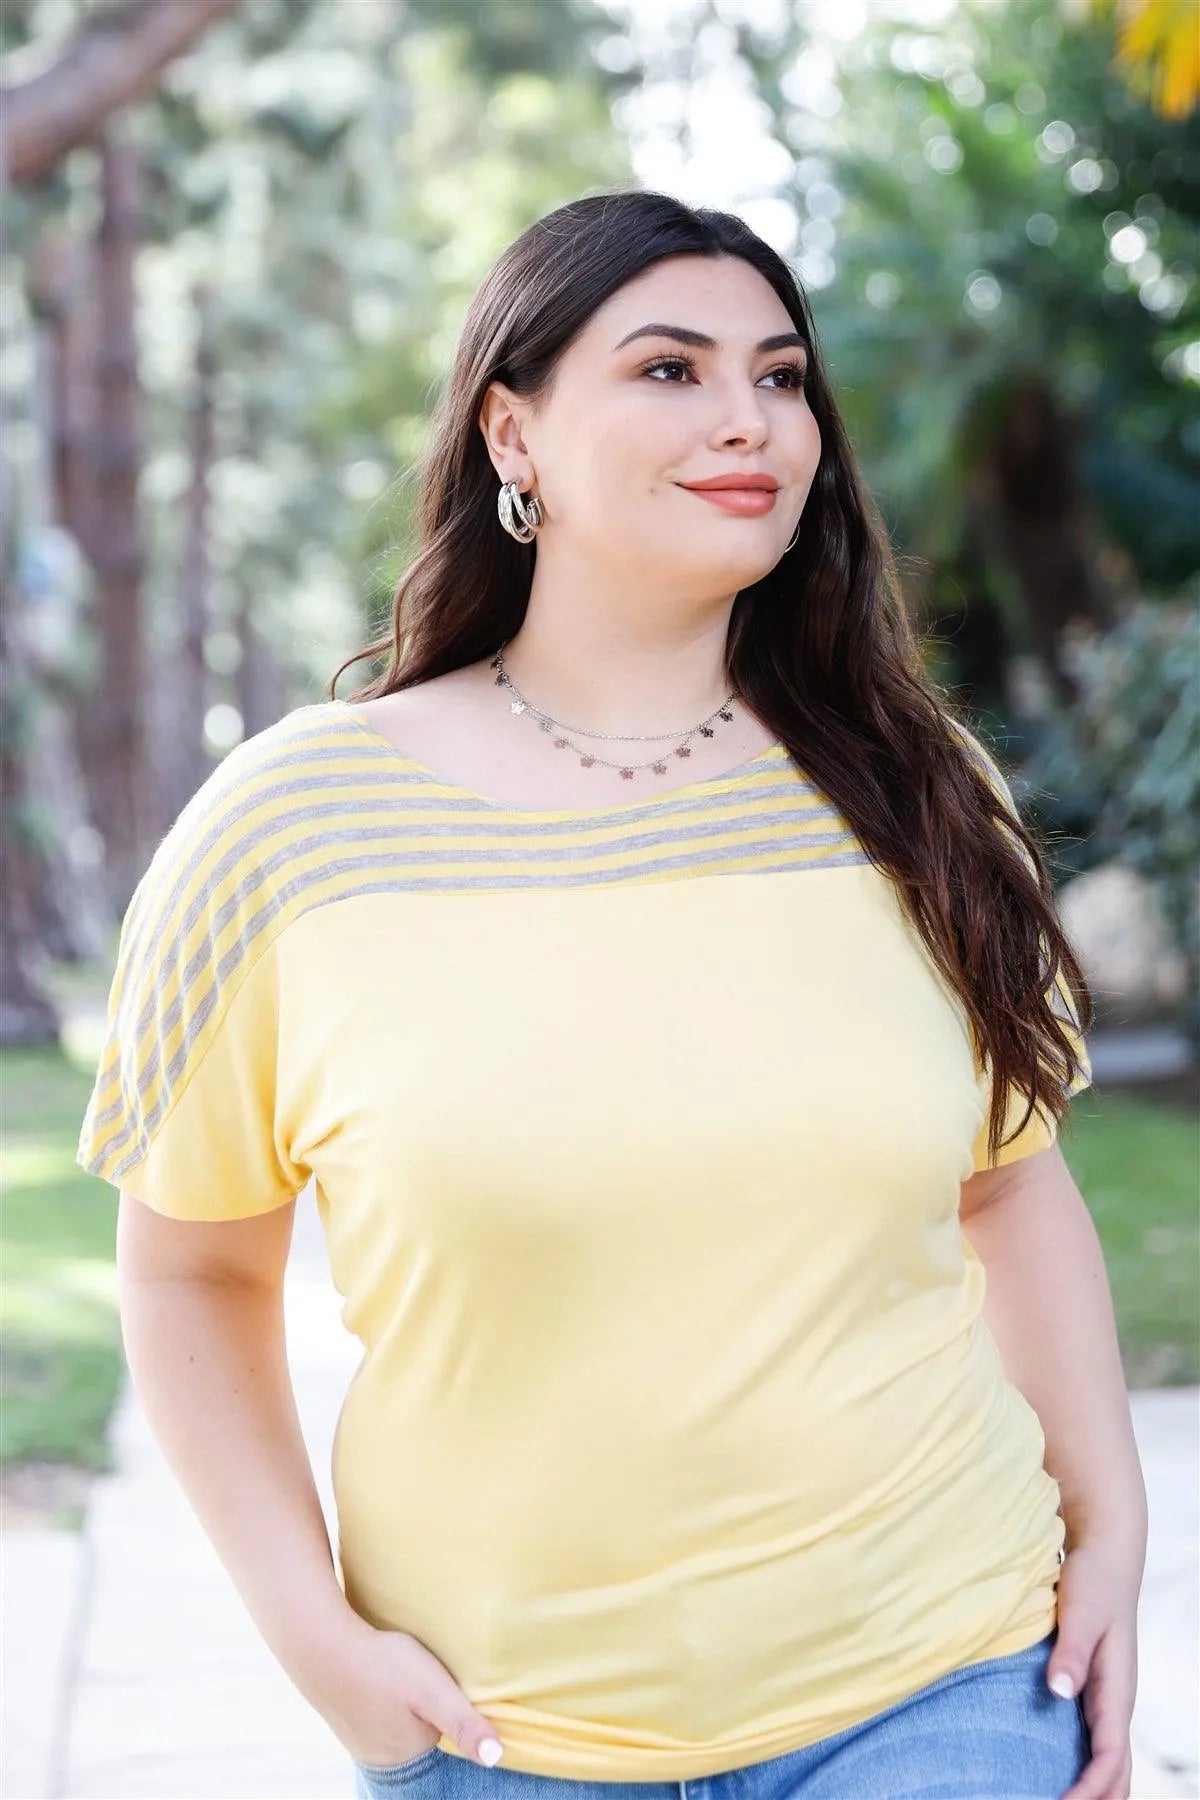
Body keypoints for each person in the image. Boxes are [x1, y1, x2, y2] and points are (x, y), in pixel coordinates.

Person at [76, 189, 1146, 1800]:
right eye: (669, 369)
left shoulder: (917, 791)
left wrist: (1113, 1520)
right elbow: (190, 1272)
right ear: (512, 432)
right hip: (501, 1737)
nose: (750, 420)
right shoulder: (294, 828)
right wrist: (317, 1642)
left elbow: (1011, 1178)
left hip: (947, 1680)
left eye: (781, 377)